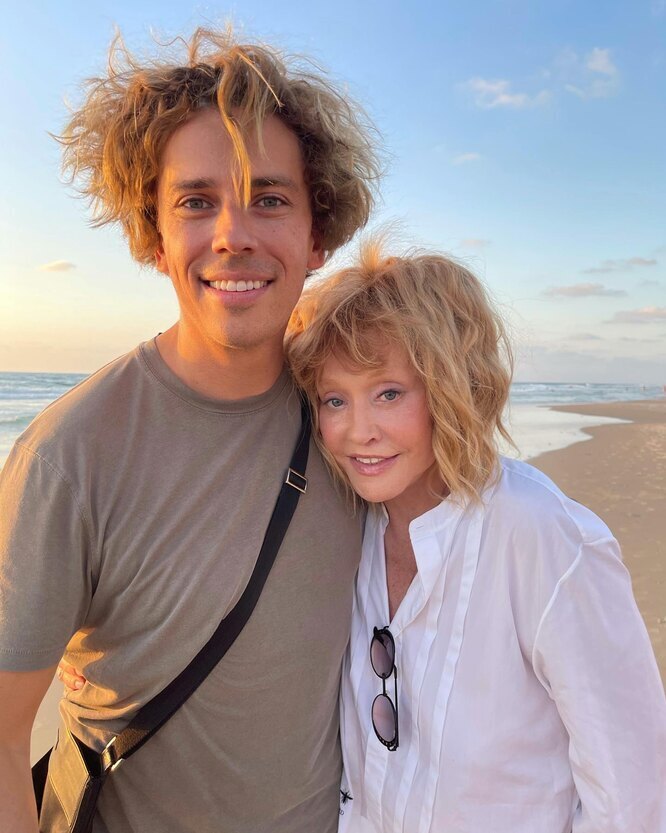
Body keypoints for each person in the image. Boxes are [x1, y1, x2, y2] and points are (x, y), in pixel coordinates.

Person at [0, 28, 380, 833]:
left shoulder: (354, 430)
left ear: (317, 233)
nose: (233, 234)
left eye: (269, 198)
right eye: (196, 202)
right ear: (155, 235)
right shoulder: (69, 456)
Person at [284, 241, 666, 832]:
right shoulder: (346, 529)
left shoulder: (543, 538)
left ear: (451, 386)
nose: (358, 431)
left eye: (388, 393)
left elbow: (632, 795)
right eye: (335, 400)